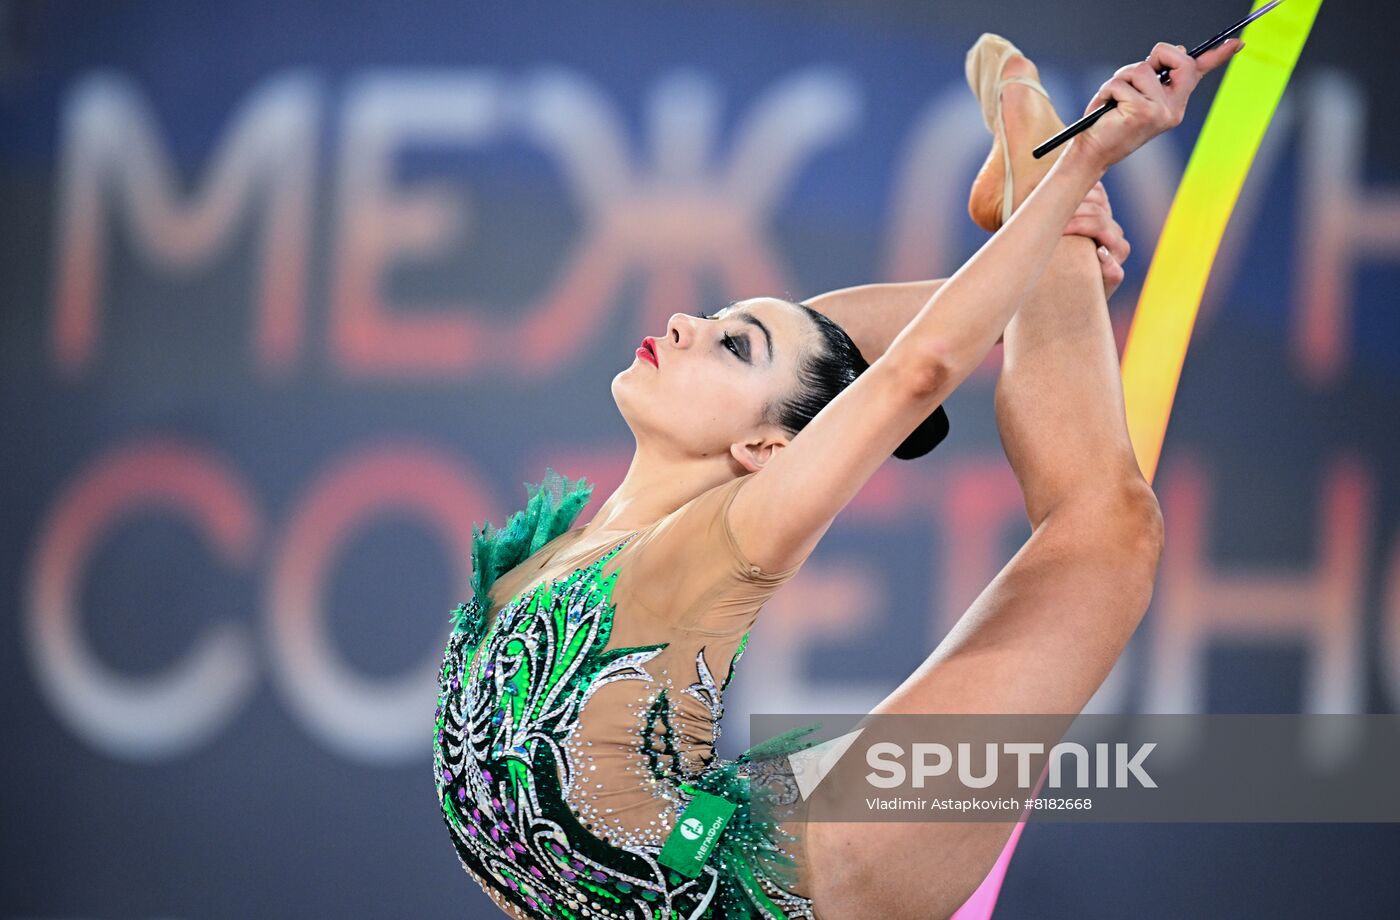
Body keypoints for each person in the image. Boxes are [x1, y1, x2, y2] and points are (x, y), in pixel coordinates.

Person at [433, 33, 1243, 920]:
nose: (681, 320)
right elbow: (836, 359)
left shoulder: (723, 539)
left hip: (808, 882)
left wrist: (1078, 162)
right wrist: (1046, 241)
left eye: (726, 342)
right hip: (713, 848)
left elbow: (919, 369)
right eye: (712, 321)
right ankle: (1033, 218)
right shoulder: (568, 552)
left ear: (766, 456)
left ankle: (1026, 133)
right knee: (815, 350)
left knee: (1109, 532)